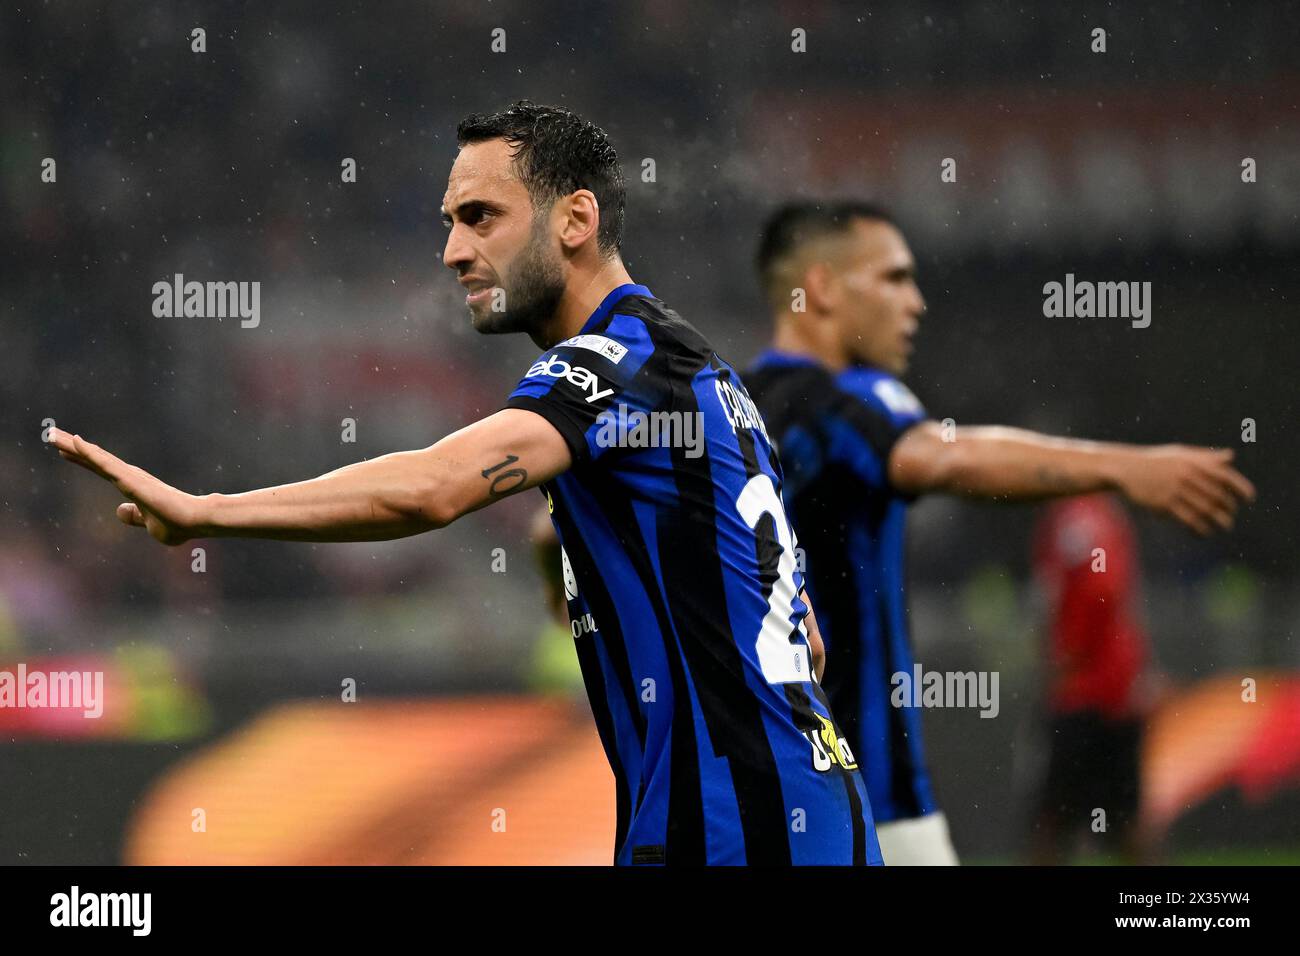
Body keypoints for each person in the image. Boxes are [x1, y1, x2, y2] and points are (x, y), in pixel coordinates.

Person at [49, 103, 881, 866]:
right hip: (796, 817)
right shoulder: (701, 379)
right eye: (449, 222)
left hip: (742, 835)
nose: (453, 250)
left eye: (481, 218)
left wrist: (207, 513)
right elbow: (785, 620)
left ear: (576, 221)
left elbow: (433, 490)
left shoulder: (615, 362)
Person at [743, 200, 1255, 864]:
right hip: (872, 797)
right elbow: (947, 456)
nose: (916, 303)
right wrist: (1125, 466)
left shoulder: (730, 407)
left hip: (762, 794)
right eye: (894, 279)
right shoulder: (855, 401)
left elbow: (564, 532)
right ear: (822, 287)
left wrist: (557, 584)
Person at [1029, 494, 1163, 864]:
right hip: (1118, 689)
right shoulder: (1105, 511)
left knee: (1050, 820)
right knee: (1125, 819)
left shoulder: (1076, 517)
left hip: (1085, 695)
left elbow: (1099, 588)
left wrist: (1070, 655)